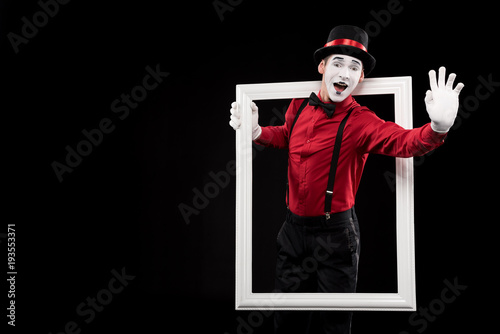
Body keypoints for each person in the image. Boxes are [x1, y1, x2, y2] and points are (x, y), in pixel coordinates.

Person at [228, 25, 464, 334]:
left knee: (334, 324)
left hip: (335, 234)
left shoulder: (361, 121)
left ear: (361, 77)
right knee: (286, 319)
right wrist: (256, 131)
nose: (345, 72)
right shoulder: (299, 105)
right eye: (338, 63)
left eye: (355, 67)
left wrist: (438, 127)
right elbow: (286, 136)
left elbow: (405, 142)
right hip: (292, 229)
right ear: (322, 67)